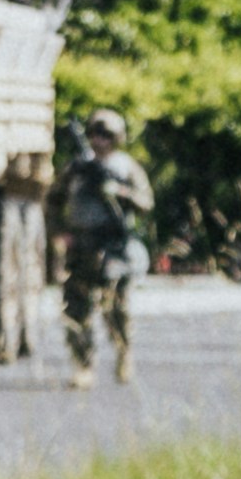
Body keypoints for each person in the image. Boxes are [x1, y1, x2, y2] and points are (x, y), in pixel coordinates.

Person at [58, 108, 153, 388]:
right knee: (76, 309)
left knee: (116, 308)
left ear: (117, 138)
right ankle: (83, 365)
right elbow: (53, 200)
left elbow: (146, 202)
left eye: (106, 135)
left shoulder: (126, 167)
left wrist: (120, 192)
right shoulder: (77, 168)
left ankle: (124, 353)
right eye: (95, 134)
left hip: (113, 248)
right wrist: (61, 233)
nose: (99, 140)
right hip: (81, 246)